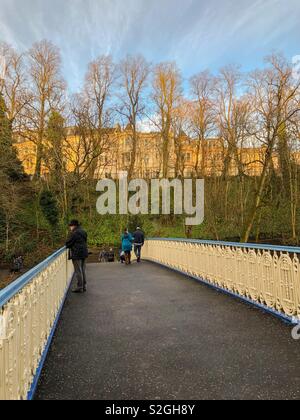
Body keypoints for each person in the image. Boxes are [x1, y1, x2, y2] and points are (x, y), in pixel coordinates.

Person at [66, 220, 89, 293]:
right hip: (84, 253)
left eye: (70, 226)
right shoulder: (83, 231)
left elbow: (68, 244)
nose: (70, 227)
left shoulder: (74, 233)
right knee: (83, 270)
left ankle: (80, 287)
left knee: (78, 271)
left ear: (74, 226)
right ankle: (84, 286)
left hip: (77, 254)